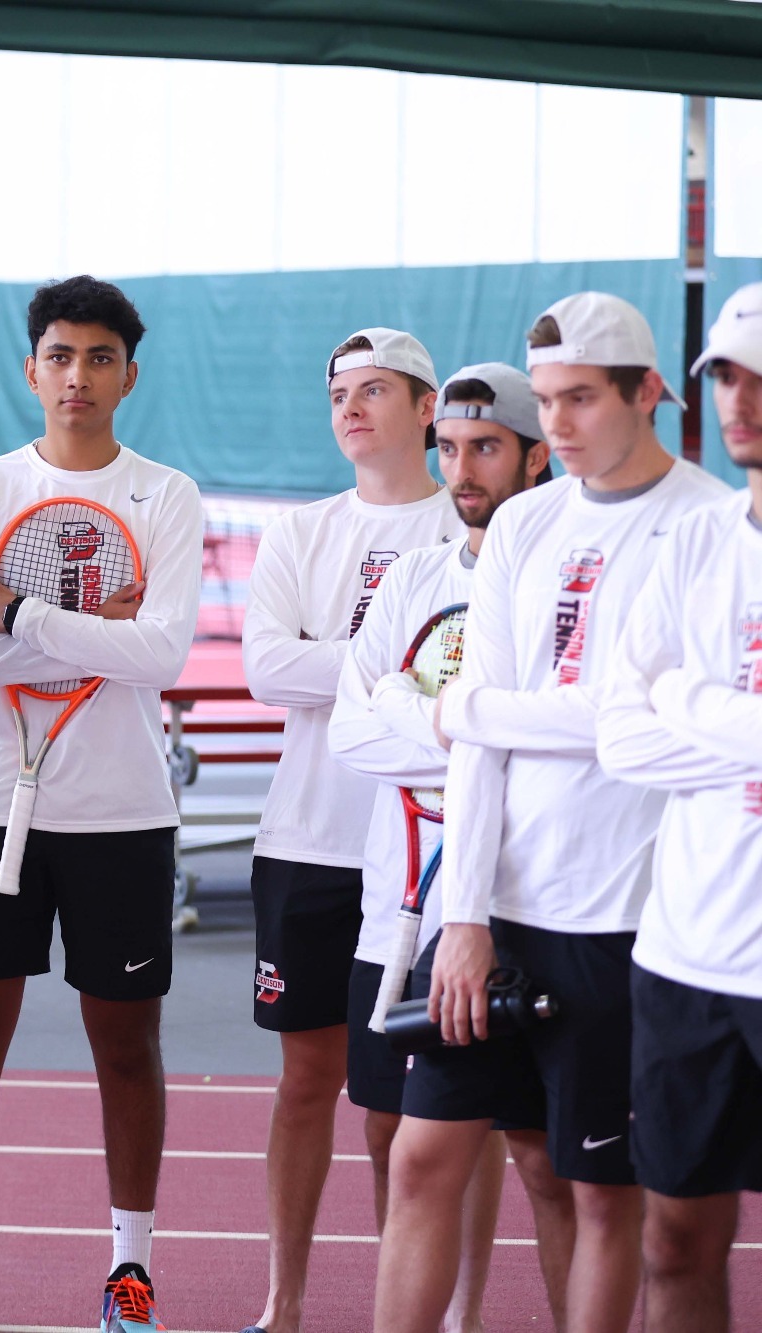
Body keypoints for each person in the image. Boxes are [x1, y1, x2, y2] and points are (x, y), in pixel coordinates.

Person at [375, 292, 729, 1333]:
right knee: (420, 1157)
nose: (559, 423)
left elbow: (628, 721)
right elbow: (484, 739)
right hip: (498, 910)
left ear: (647, 393)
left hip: (625, 918)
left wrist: (469, 708)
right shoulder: (524, 520)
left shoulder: (707, 526)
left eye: (581, 399)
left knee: (599, 1195)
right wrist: (468, 915)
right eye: (550, 401)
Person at [0, 277, 202, 1333]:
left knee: (126, 1046)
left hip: (122, 817)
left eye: (98, 357)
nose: (77, 375)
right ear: (31, 370)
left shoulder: (167, 497)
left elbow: (158, 653)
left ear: (127, 375)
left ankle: (129, 1273)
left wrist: (13, 605)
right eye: (59, 356)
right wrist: (82, 626)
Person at [329, 364, 565, 1332]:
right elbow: (351, 726)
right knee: (413, 1150)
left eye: (485, 447)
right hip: (417, 915)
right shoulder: (416, 577)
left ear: (533, 455)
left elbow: (563, 736)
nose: (461, 468)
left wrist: (415, 705)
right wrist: (466, 727)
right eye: (450, 448)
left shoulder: (560, 578)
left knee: (549, 1165)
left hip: (548, 908)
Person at [239, 327, 464, 1333]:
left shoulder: (460, 532)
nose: (350, 407)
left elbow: (312, 669)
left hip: (423, 854)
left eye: (374, 390)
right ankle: (282, 1303)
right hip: (300, 842)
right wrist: (383, 675)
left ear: (427, 409)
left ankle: (422, 1311)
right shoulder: (298, 533)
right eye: (337, 391)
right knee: (301, 1085)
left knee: (416, 1113)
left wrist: (345, 673)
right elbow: (261, 670)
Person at [594, 282, 762, 1333]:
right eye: (726, 376)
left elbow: (656, 706)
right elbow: (618, 737)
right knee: (671, 1241)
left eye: (758, 376)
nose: (738, 398)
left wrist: (687, 698)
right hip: (686, 956)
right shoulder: (692, 545)